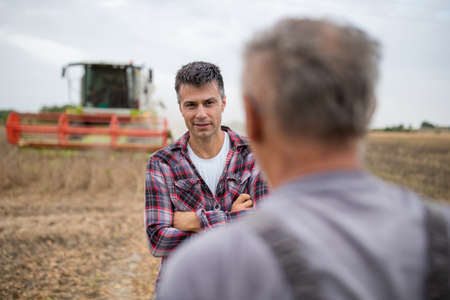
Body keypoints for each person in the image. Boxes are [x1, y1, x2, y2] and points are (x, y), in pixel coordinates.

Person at [158, 18, 450, 300]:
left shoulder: (202, 272)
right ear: (369, 111)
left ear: (253, 119)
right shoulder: (441, 234)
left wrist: (198, 220)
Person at [144, 61, 269, 289]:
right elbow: (158, 241)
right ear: (181, 108)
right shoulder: (162, 163)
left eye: (209, 103)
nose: (201, 114)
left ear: (223, 103)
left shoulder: (255, 156)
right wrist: (233, 220)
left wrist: (193, 221)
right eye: (191, 105)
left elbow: (265, 234)